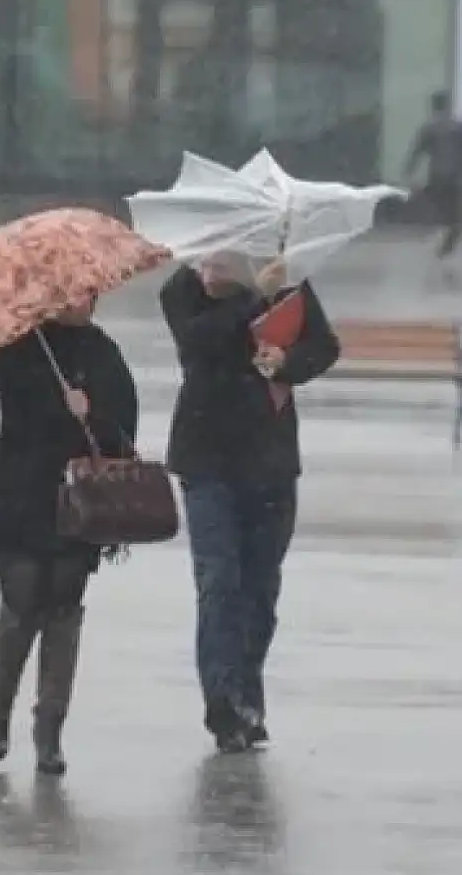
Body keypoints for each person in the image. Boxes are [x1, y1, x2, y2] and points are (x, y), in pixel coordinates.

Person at [161, 252, 339, 753]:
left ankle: (246, 697)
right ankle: (222, 704)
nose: (216, 269)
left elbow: (323, 346)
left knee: (260, 589)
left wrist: (289, 362)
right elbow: (199, 342)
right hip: (207, 459)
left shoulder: (286, 282)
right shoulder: (182, 289)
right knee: (218, 580)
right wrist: (254, 298)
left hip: (271, 460)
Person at [0, 295, 139, 776]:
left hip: (78, 500)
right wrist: (51, 393)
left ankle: (49, 731)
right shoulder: (21, 344)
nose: (79, 303)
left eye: (87, 295)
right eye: (68, 294)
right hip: (16, 492)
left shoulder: (103, 351)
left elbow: (123, 431)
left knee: (63, 609)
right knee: (22, 602)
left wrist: (91, 413)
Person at [403, 90, 462, 267]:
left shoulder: (429, 127)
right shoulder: (459, 127)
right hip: (456, 176)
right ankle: (449, 237)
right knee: (455, 211)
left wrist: (409, 170)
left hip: (437, 174)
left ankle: (441, 234)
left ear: (434, 107)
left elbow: (417, 150)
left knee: (438, 205)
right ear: (448, 106)